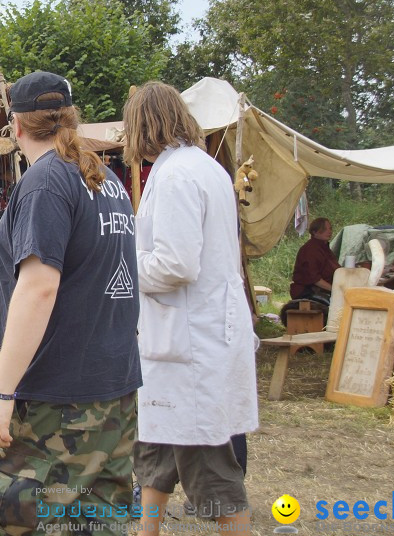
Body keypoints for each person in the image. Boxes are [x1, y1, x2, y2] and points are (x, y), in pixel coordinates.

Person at [0, 71, 141, 534]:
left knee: (6, 510)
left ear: (16, 127)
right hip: (111, 385)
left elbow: (40, 288)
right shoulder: (104, 179)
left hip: (58, 394)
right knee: (95, 518)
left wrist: (2, 392)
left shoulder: (46, 183)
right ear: (70, 118)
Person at [123, 82, 257, 534]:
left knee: (209, 464)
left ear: (142, 126)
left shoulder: (179, 174)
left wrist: (122, 264)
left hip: (192, 344)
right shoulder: (201, 167)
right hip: (185, 337)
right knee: (156, 448)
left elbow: (176, 264)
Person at [289, 217, 340, 306]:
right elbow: (315, 279)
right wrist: (335, 290)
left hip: (323, 290)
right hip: (307, 292)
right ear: (314, 232)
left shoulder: (325, 248)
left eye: (330, 228)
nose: (329, 231)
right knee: (335, 305)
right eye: (324, 229)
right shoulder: (310, 250)